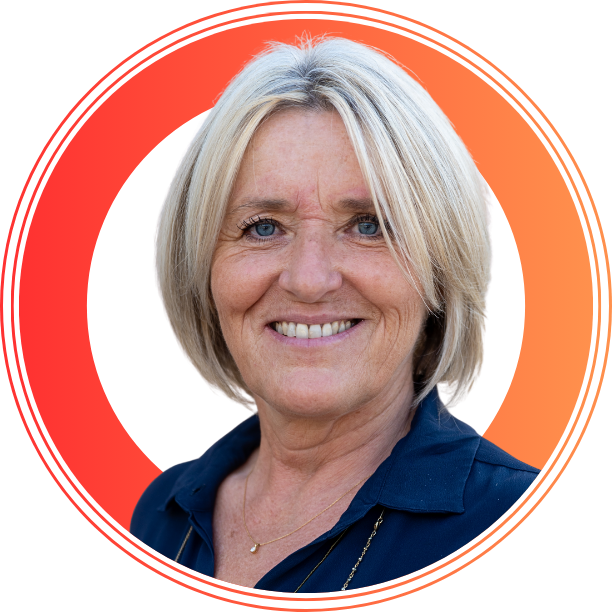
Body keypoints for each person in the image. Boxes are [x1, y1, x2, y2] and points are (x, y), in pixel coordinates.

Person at [130, 35, 539, 592]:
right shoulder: (163, 514)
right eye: (263, 227)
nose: (309, 280)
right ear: (201, 270)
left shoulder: (510, 518)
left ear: (440, 271)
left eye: (369, 225)